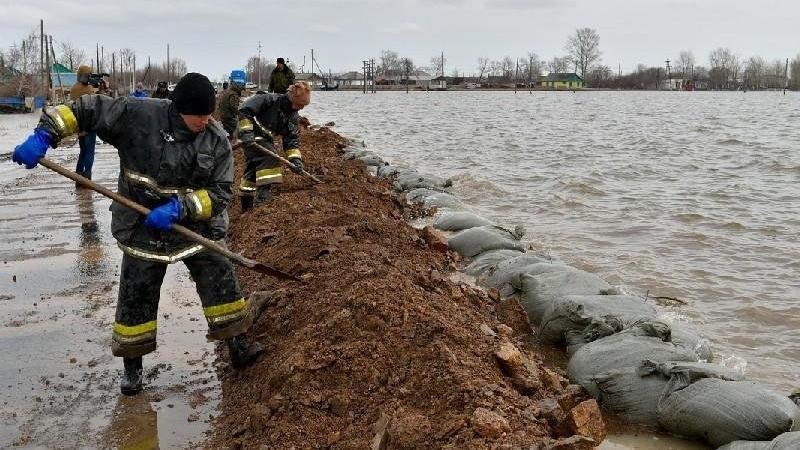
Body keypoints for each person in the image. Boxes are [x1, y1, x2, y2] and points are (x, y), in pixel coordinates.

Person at [11, 73, 263, 396]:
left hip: (193, 226)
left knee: (221, 279)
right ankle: (132, 370)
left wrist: (181, 208)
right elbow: (87, 109)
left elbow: (221, 193)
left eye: (209, 113)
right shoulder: (138, 115)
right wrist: (44, 135)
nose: (206, 120)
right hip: (141, 223)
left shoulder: (215, 139)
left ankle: (238, 346)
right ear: (179, 109)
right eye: (199, 115)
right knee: (136, 295)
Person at [237, 81, 310, 210]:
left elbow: (291, 140)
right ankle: (262, 199)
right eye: (300, 104)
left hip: (265, 139)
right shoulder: (269, 99)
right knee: (270, 158)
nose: (301, 108)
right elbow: (244, 110)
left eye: (303, 105)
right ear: (292, 98)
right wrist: (246, 132)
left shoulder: (293, 117)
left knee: (253, 169)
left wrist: (295, 160)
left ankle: (246, 206)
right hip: (250, 135)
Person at [70, 65, 97, 182]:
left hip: (79, 126)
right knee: (90, 152)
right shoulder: (89, 89)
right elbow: (96, 103)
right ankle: (87, 176)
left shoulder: (74, 88)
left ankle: (79, 175)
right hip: (89, 125)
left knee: (83, 151)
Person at [216, 70, 246, 138]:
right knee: (246, 125)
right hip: (228, 118)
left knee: (230, 131)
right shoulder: (233, 94)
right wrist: (242, 115)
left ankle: (231, 138)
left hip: (223, 116)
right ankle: (248, 140)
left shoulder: (227, 91)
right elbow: (234, 107)